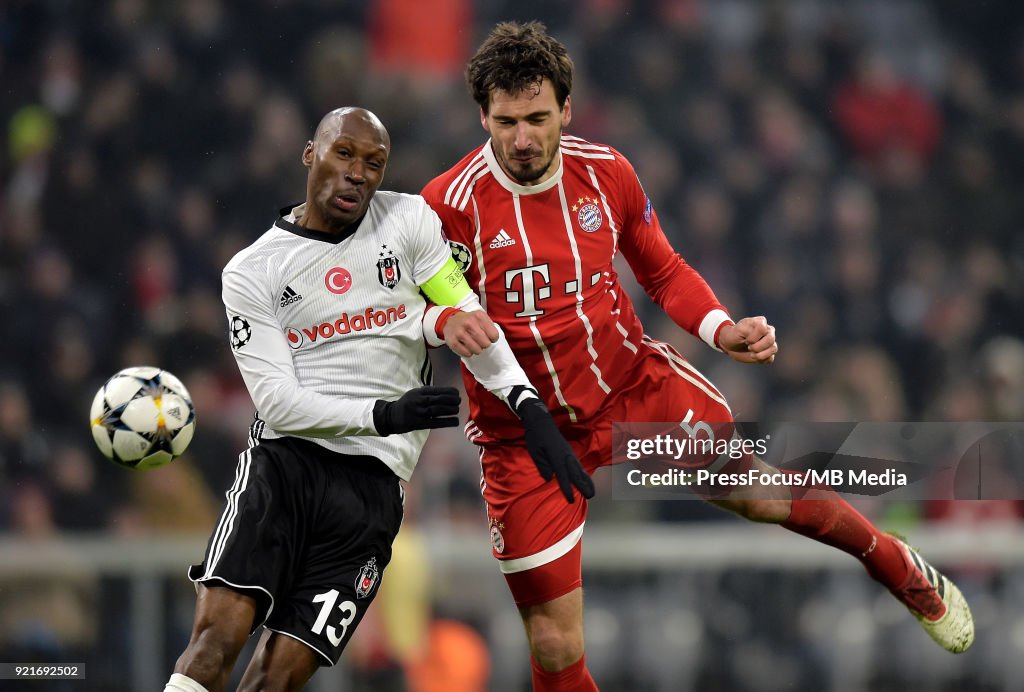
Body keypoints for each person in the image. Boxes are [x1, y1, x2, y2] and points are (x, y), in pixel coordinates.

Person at [420, 21, 975, 691]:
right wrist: (440, 320)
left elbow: (660, 268)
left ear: (567, 108)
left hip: (631, 389)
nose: (524, 139)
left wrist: (720, 330)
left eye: (539, 118)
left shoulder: (606, 173)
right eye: (506, 122)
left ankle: (893, 562)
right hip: (522, 437)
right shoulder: (445, 208)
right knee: (555, 644)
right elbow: (417, 312)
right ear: (482, 114)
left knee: (758, 493)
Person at [163, 106, 592, 692]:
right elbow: (278, 404)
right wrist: (384, 414)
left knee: (276, 681)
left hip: (370, 496)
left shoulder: (408, 221)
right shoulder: (252, 271)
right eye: (344, 154)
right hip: (282, 470)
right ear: (310, 154)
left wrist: (527, 404)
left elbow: (467, 317)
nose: (358, 173)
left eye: (374, 162)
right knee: (213, 647)